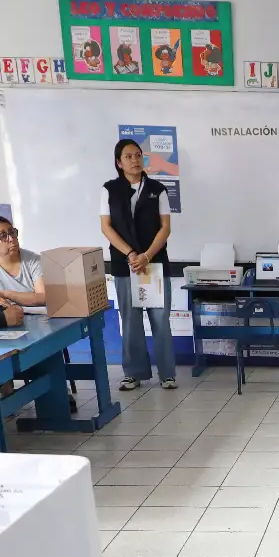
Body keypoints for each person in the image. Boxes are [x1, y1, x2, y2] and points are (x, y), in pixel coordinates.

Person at [101, 138, 177, 391]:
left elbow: (165, 227)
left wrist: (146, 255)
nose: (135, 160)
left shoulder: (157, 188)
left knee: (160, 320)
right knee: (130, 321)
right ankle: (133, 373)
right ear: (118, 162)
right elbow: (106, 227)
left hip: (153, 264)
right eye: (128, 156)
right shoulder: (109, 189)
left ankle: (167, 374)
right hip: (125, 266)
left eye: (138, 155)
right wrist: (132, 254)